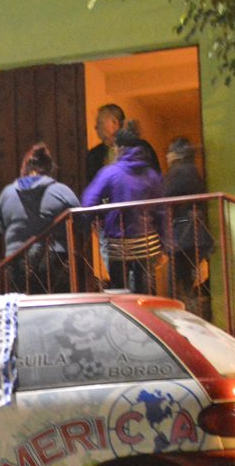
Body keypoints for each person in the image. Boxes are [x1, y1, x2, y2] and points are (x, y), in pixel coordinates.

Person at [81, 121, 165, 294]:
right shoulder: (151, 175)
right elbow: (161, 210)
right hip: (147, 243)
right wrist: (165, 243)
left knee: (120, 294)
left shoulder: (110, 173)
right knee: (147, 293)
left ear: (118, 148)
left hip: (118, 245)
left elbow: (89, 201)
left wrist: (92, 222)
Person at [0, 142, 81, 293]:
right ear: (49, 169)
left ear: (25, 168)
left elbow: (1, 224)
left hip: (16, 261)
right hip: (55, 261)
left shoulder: (7, 194)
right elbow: (80, 221)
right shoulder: (61, 192)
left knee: (24, 310)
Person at [162, 136, 213, 317]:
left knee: (174, 288)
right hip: (193, 236)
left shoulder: (179, 172)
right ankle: (190, 319)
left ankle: (184, 324)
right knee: (184, 284)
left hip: (184, 237)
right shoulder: (192, 171)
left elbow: (164, 199)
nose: (166, 156)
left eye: (169, 151)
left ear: (177, 154)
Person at [85, 104, 160, 187]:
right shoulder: (94, 155)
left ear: (114, 123)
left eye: (100, 122)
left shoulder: (141, 148)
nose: (96, 127)